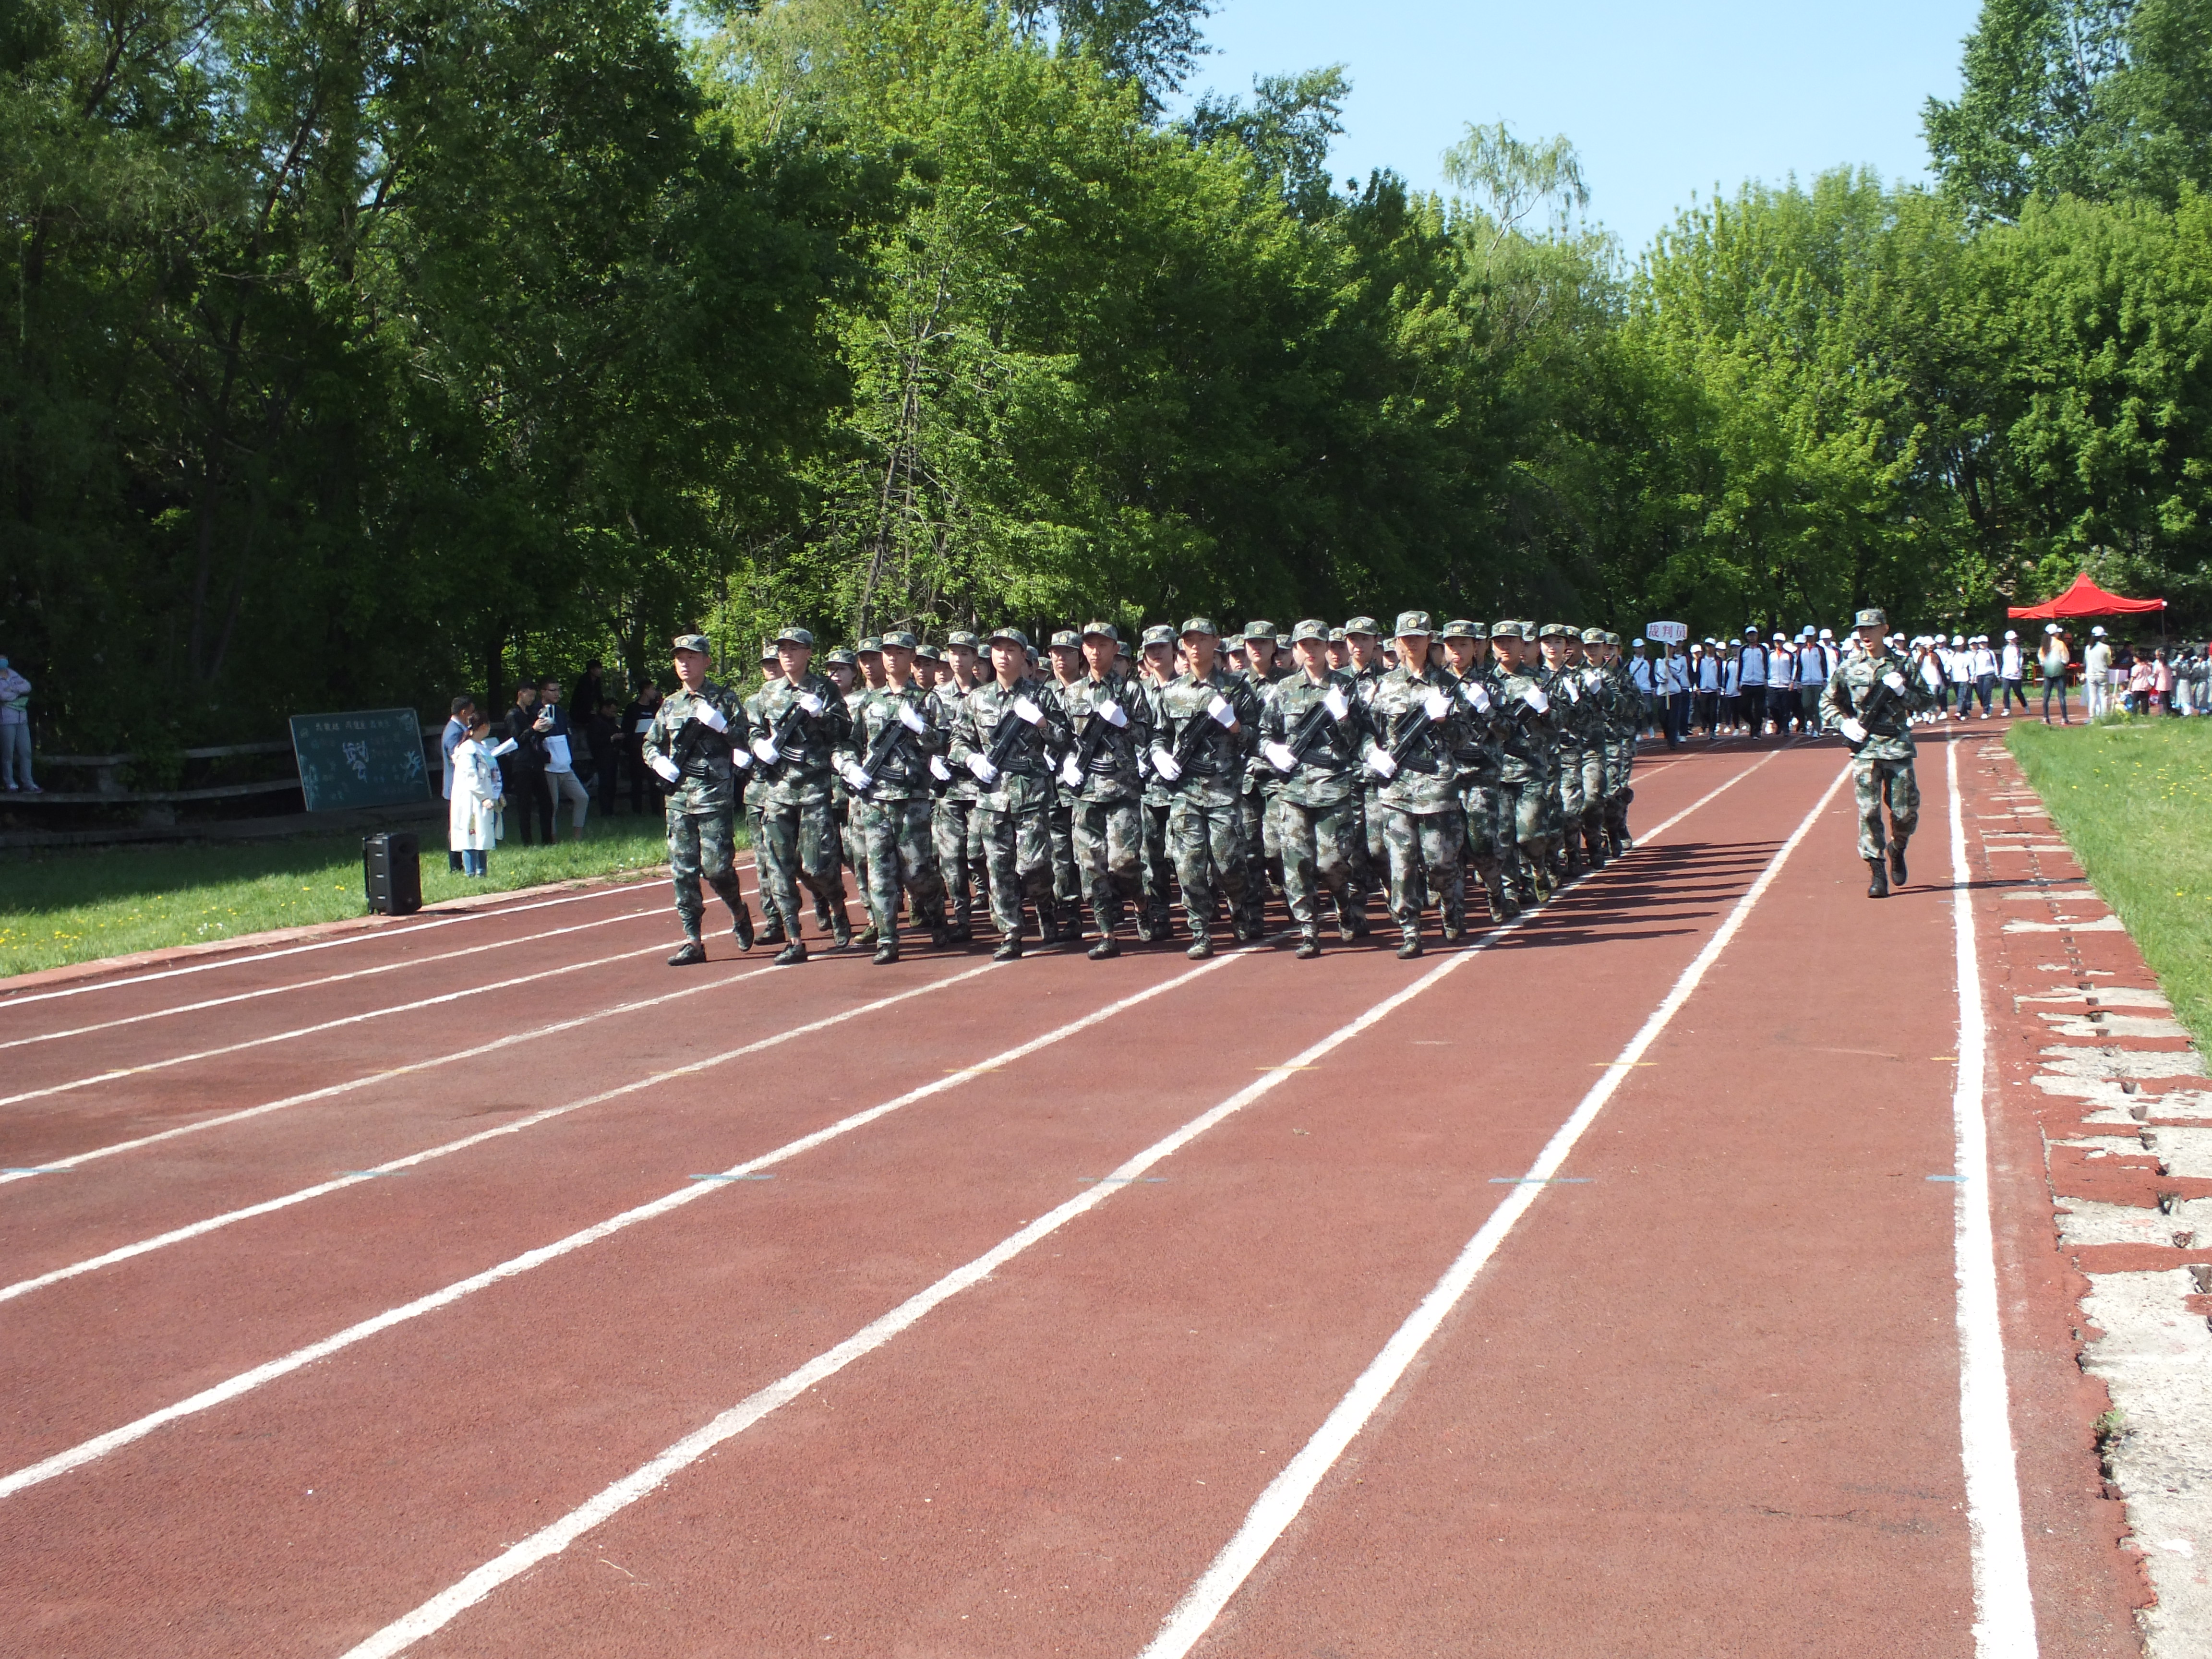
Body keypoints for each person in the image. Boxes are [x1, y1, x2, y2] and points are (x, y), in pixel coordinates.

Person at [949, 626, 1072, 960]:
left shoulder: (1041, 696)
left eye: (1011, 650)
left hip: (1031, 796)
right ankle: (1011, 933)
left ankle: (1045, 904)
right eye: (998, 649)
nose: (1003, 655)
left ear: (1023, 657)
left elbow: (1065, 740)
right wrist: (972, 759)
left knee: (1033, 867)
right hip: (992, 798)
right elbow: (957, 742)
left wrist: (1043, 725)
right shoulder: (977, 699)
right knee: (999, 868)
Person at [1145, 617, 1260, 960]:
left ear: (1216, 643)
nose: (1195, 646)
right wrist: (1159, 755)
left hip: (1224, 790)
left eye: (1202, 639)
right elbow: (1159, 734)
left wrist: (1236, 726)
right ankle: (1200, 930)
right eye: (1189, 640)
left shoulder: (1237, 687)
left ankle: (1240, 907)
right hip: (1185, 792)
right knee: (1189, 865)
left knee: (1227, 864)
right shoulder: (1173, 692)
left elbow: (1258, 736)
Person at [642, 634, 757, 966]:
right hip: (679, 799)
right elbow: (651, 744)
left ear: (706, 661)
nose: (684, 663)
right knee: (683, 872)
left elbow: (748, 742)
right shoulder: (670, 705)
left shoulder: (725, 700)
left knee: (718, 869)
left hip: (713, 798)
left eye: (691, 657)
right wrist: (658, 761)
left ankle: (738, 910)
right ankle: (693, 939)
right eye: (679, 657)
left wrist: (723, 727)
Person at [837, 630, 949, 964]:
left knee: (917, 873)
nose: (891, 658)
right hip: (874, 801)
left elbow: (943, 743)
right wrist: (848, 767)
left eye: (899, 653)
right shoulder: (868, 702)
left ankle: (938, 913)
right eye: (887, 652)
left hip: (912, 799)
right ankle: (888, 938)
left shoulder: (928, 701)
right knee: (880, 873)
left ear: (911, 657)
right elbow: (848, 743)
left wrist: (920, 729)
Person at [749, 625, 855, 965]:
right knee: (780, 866)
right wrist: (758, 745)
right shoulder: (767, 693)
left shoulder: (824, 689)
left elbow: (845, 731)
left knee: (816, 866)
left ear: (808, 653)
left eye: (794, 649)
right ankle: (794, 937)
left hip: (813, 789)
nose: (787, 654)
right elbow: (752, 729)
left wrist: (821, 714)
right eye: (782, 648)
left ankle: (837, 905)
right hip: (777, 791)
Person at [1820, 609, 1939, 898]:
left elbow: (1927, 702)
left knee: (1904, 812)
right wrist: (1845, 724)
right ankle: (1877, 873)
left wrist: (1903, 694)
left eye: (1870, 629)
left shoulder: (1903, 665)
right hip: (1865, 750)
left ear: (1884, 630)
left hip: (1897, 746)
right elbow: (1828, 702)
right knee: (1869, 811)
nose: (1865, 635)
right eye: (1860, 630)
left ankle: (1897, 848)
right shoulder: (1849, 667)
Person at [1055, 621, 1152, 958]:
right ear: (1084, 650)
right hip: (1085, 792)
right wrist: (1067, 763)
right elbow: (1062, 739)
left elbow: (1148, 736)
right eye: (1090, 645)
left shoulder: (1131, 691)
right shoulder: (1072, 694)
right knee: (1091, 866)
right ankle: (1107, 933)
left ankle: (1140, 903)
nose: (1096, 651)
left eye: (1103, 645)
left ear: (1115, 649)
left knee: (1124, 863)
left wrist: (1125, 723)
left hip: (1123, 791)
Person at [446, 707, 504, 878]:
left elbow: (493, 773)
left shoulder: (482, 748)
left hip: (485, 798)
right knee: (471, 836)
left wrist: (497, 793)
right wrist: (485, 797)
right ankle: (472, 873)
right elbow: (471, 777)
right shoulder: (467, 750)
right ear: (484, 726)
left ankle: (482, 872)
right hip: (472, 801)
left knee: (483, 836)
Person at [536, 677, 589, 841]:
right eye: (553, 690)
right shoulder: (536, 712)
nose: (557, 694)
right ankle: (553, 838)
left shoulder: (561, 712)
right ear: (543, 692)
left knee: (582, 797)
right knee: (553, 805)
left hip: (565, 766)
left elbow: (567, 735)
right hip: (549, 768)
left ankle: (577, 838)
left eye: (558, 690)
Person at [502, 685, 552, 844]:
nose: (532, 699)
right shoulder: (513, 715)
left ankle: (547, 839)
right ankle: (527, 841)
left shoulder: (531, 714)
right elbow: (517, 739)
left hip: (535, 761)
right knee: (525, 804)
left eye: (533, 696)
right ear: (521, 694)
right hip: (521, 764)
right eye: (529, 696)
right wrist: (533, 729)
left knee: (546, 802)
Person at [439, 696, 477, 870]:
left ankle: (460, 863)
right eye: (471, 711)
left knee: (461, 824)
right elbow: (457, 757)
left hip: (458, 786)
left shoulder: (459, 728)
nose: (473, 715)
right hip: (457, 787)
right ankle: (456, 865)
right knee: (457, 826)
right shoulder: (454, 731)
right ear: (464, 712)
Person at [623, 684, 663, 816]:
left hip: (653, 751)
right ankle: (637, 812)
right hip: (636, 751)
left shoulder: (655, 708)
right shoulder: (632, 708)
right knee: (637, 782)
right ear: (645, 690)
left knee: (654, 781)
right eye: (652, 689)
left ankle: (656, 811)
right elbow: (627, 730)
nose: (655, 692)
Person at [2083, 626, 2112, 719]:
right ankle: (2104, 716)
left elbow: (2087, 661)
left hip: (2091, 674)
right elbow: (2109, 662)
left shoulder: (2088, 648)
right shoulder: (2106, 648)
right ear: (2102, 637)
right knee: (2104, 696)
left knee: (2093, 697)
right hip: (2102, 674)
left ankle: (2092, 716)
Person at [1998, 630, 2028, 716]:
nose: (2014, 640)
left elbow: (2020, 660)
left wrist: (2019, 669)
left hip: (2016, 675)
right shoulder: (2004, 649)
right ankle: (2007, 708)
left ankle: (2025, 706)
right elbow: (2002, 661)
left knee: (2018, 692)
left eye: (2015, 639)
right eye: (2012, 639)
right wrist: (2001, 672)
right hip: (2006, 674)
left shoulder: (2018, 649)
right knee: (2006, 692)